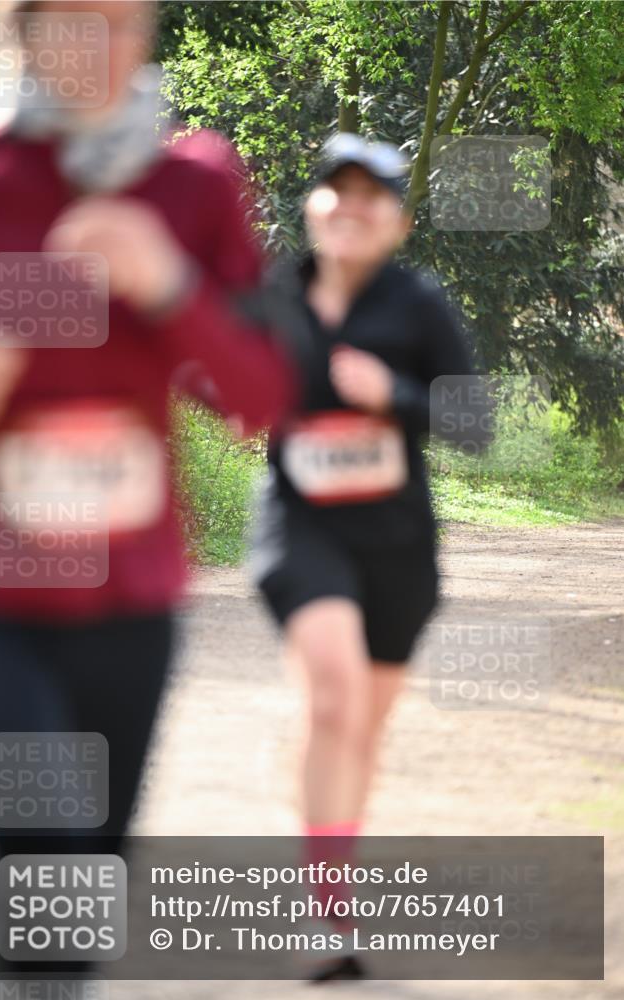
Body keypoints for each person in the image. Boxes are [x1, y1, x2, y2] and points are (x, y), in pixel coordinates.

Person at [0, 0, 296, 979]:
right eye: (77, 22)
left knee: (80, 893)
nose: (105, 49)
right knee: (47, 861)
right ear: (20, 32)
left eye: (125, 23)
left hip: (130, 600)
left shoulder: (189, 186)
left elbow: (262, 395)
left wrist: (166, 286)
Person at [250, 133, 490, 981]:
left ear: (400, 221)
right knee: (332, 694)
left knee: (361, 724)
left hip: (395, 544)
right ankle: (325, 916)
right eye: (334, 192)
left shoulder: (415, 304)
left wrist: (388, 392)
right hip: (299, 526)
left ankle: (335, 884)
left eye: (371, 197)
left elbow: (473, 423)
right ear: (312, 207)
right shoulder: (272, 292)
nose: (349, 207)